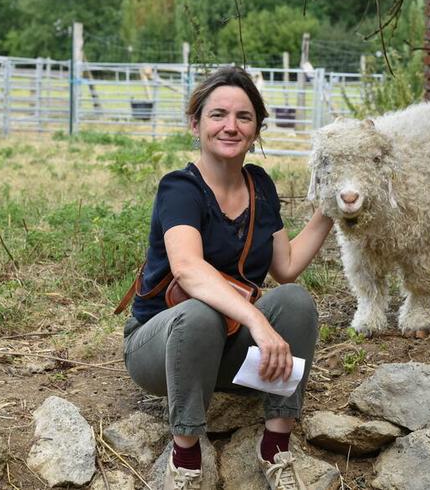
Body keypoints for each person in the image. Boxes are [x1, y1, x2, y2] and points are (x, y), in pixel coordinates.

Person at [121, 66, 333, 490]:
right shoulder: (179, 188)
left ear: (256, 129)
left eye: (244, 117)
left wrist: (331, 208)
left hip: (225, 355)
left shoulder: (260, 185)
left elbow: (285, 267)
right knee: (200, 312)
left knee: (294, 299)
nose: (230, 127)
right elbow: (187, 270)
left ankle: (275, 447)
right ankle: (185, 459)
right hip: (161, 350)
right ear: (195, 123)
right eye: (218, 115)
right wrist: (258, 322)